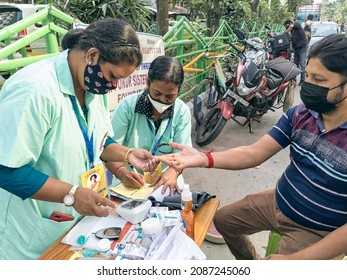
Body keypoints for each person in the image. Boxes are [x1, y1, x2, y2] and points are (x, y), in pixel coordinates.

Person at [158, 33, 347, 260]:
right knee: (222, 220)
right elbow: (254, 153)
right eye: (307, 76)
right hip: (278, 201)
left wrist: (294, 261)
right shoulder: (300, 115)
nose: (308, 86)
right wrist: (203, 158)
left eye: (319, 80)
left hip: (318, 231)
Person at [0, 18, 158, 260]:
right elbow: (5, 170)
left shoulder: (91, 88)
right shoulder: (34, 90)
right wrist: (72, 193)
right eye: (113, 76)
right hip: (29, 234)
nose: (114, 86)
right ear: (92, 56)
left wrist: (127, 154)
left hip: (72, 223)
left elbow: (98, 141)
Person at [105, 55, 192, 195]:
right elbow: (108, 150)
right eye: (157, 93)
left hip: (166, 182)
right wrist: (122, 173)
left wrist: (173, 172)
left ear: (179, 90)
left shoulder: (181, 112)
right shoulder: (127, 107)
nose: (163, 101)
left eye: (170, 96)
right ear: (147, 82)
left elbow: (184, 156)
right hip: (131, 182)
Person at [284, 19, 308, 86]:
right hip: (296, 48)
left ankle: (303, 80)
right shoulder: (292, 31)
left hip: (302, 47)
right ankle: (293, 79)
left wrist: (286, 32)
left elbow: (291, 26)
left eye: (287, 26)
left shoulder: (296, 24)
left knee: (302, 64)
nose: (287, 28)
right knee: (295, 64)